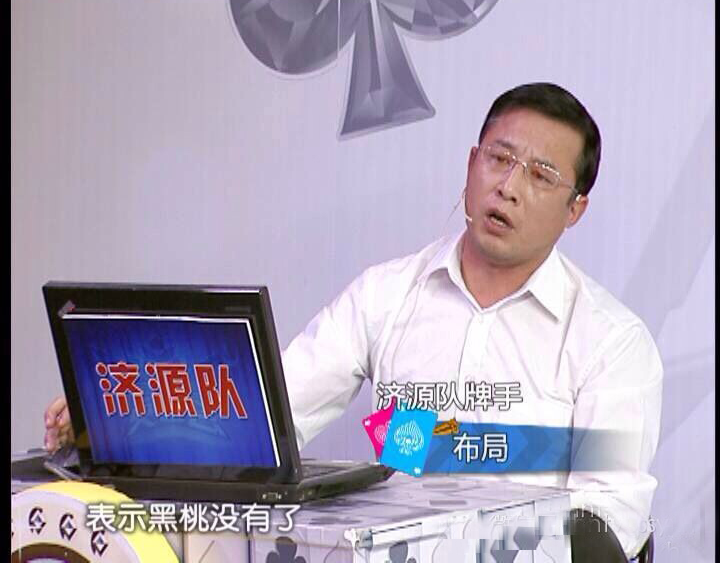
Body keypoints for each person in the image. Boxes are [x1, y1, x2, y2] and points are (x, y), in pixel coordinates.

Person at [44, 83, 662, 562]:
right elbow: (268, 414)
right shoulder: (385, 295)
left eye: (541, 176)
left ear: (575, 209)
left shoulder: (609, 340)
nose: (509, 187)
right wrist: (115, 417)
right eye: (499, 159)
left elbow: (607, 521)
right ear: (472, 163)